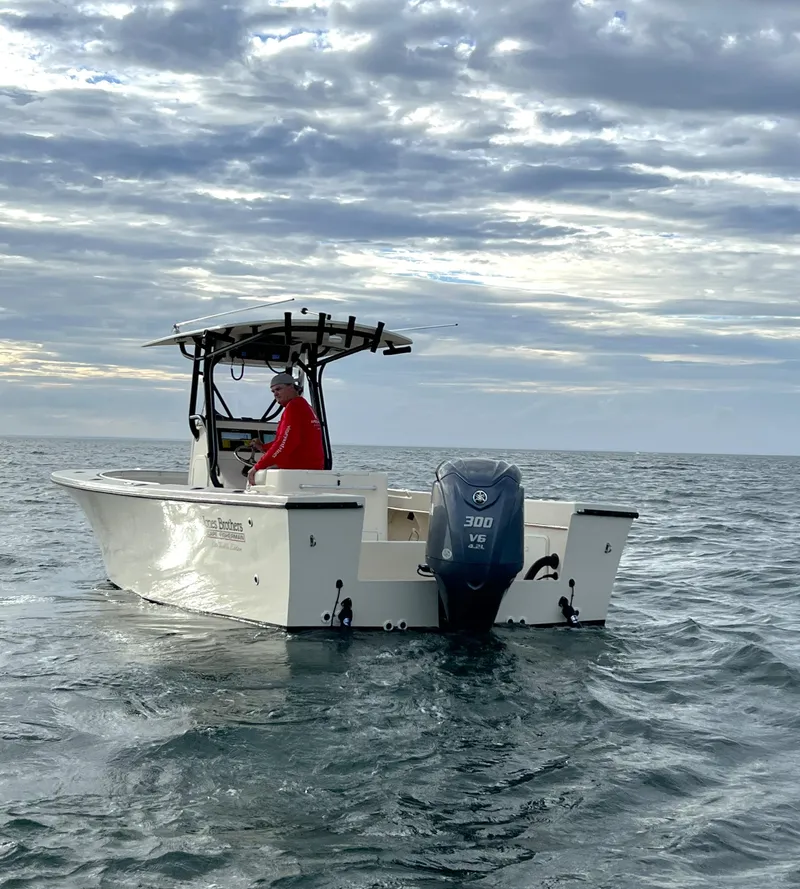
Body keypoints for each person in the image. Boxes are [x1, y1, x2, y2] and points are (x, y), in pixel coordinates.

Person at [247, 372, 325, 485]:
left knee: (255, 478)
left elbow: (285, 444)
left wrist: (257, 466)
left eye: (279, 389)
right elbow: (288, 440)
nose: (275, 394)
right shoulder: (306, 406)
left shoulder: (294, 407)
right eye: (273, 391)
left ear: (292, 387)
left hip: (298, 471)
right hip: (311, 470)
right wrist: (263, 447)